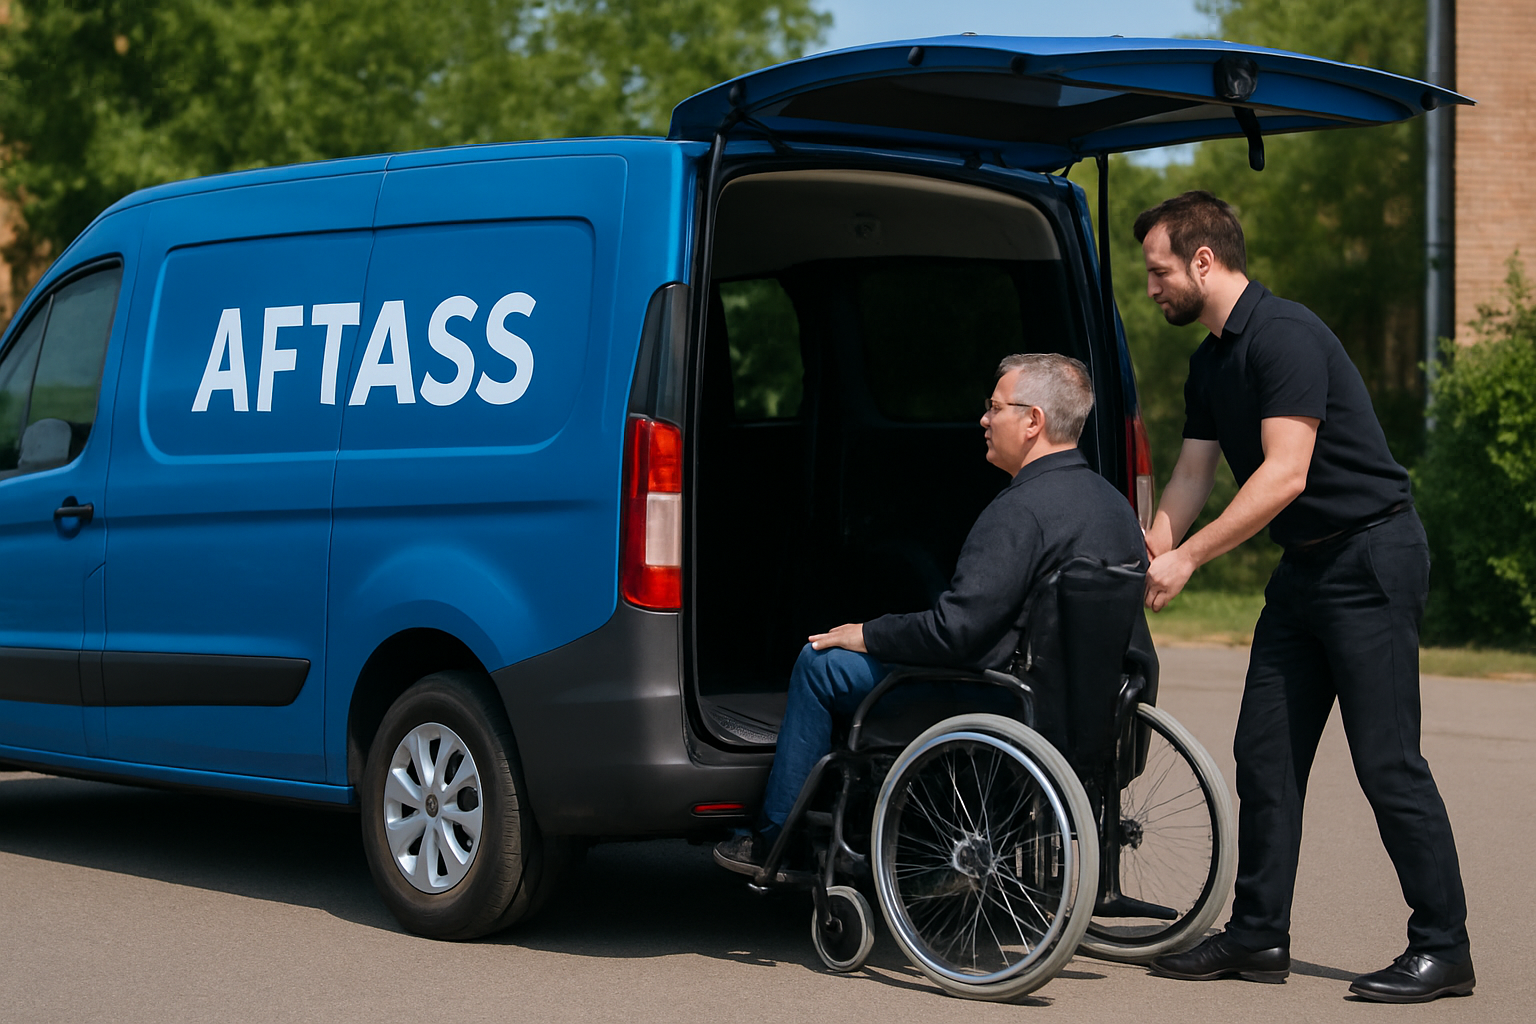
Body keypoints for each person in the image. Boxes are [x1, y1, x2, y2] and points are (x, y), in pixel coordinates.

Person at [1134, 191, 1473, 1003]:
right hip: (1306, 572)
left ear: (1204, 261)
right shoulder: (1211, 361)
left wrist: (1194, 562)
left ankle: (1444, 948)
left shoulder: (1285, 336)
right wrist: (1154, 546)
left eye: (1158, 270)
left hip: (1371, 558)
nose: (1150, 288)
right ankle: (1258, 935)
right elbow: (1192, 473)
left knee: (1387, 763)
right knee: (1266, 755)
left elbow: (1284, 474)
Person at [714, 352, 1145, 874]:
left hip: (1000, 696)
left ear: (1033, 422)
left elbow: (955, 633)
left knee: (820, 663)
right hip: (1076, 705)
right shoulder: (1115, 508)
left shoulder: (1019, 511)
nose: (984, 420)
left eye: (995, 408)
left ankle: (776, 840)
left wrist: (867, 634)